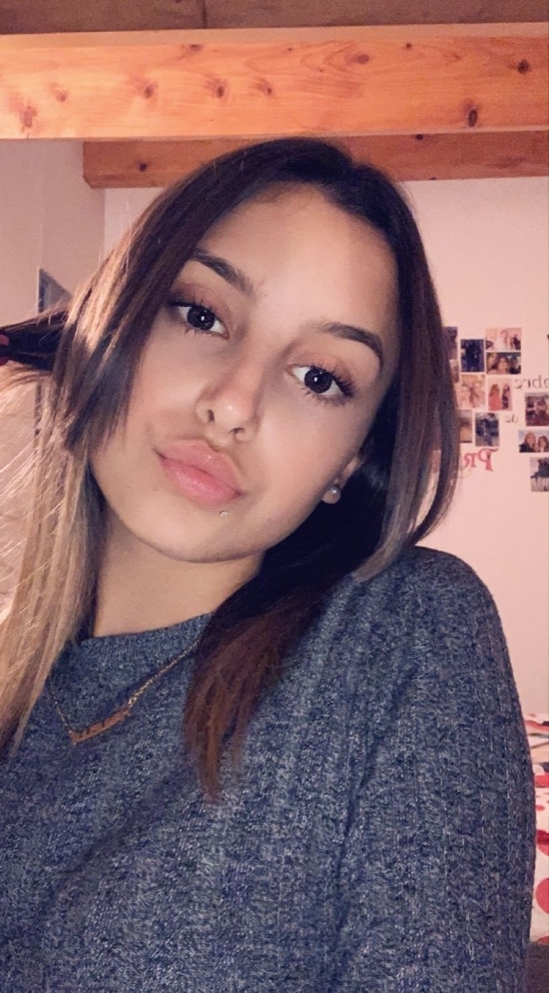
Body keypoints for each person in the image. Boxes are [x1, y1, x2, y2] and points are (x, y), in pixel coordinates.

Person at [0, 139, 533, 991]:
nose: (233, 404)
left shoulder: (400, 636)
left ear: (350, 460)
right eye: (201, 315)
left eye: (319, 377)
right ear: (115, 322)